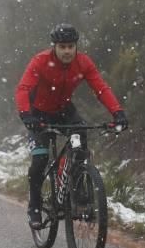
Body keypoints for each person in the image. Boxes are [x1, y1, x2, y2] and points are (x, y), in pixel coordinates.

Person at [15, 23, 128, 228]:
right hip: (38, 114)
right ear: (55, 47)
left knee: (80, 140)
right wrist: (26, 115)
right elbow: (23, 89)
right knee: (40, 160)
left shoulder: (83, 63)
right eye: (62, 46)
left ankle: (75, 191)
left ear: (76, 46)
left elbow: (101, 89)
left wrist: (117, 112)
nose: (67, 51)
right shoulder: (40, 61)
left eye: (70, 46)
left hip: (64, 110)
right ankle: (35, 206)